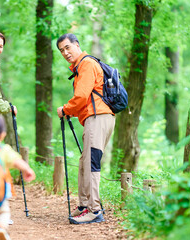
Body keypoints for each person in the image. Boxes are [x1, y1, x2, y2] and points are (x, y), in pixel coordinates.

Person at [56, 33, 115, 224]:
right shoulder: (80, 67)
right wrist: (70, 112)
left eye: (67, 47)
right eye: (61, 50)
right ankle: (84, 206)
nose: (65, 53)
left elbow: (81, 97)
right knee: (84, 162)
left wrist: (65, 109)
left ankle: (95, 210)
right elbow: (86, 99)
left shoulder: (87, 64)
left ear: (77, 45)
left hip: (98, 118)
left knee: (91, 163)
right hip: (94, 117)